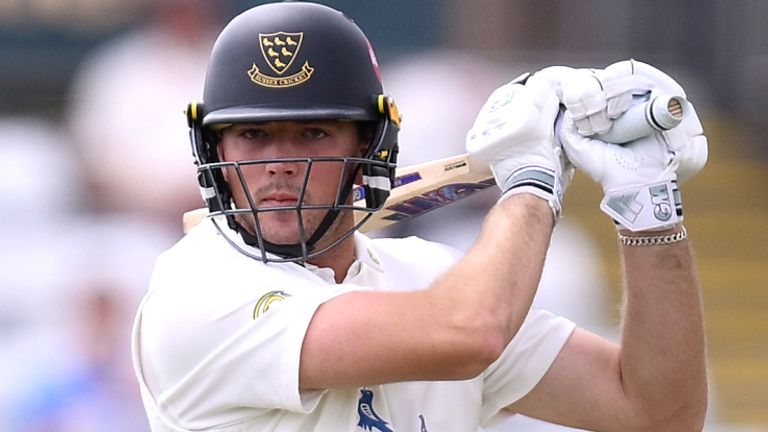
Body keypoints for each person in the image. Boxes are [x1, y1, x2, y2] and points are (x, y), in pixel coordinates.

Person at [131, 2, 709, 431]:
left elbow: (659, 410)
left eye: (314, 131)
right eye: (254, 135)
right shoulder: (196, 295)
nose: (280, 164)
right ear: (217, 154)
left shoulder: (432, 279)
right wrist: (532, 178)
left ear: (368, 148)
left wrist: (648, 209)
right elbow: (470, 331)